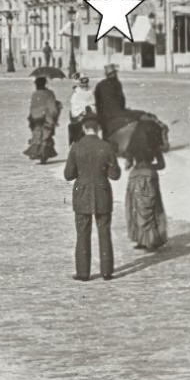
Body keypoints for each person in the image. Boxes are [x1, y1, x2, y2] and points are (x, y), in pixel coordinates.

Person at [63, 114, 120, 281]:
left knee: (82, 233)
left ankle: (83, 272)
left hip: (82, 193)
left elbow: (68, 174)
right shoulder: (106, 146)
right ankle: (107, 271)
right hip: (102, 192)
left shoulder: (76, 146)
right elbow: (115, 174)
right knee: (104, 232)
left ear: (83, 128)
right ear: (98, 128)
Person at [124, 120, 167, 250]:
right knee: (153, 208)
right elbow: (161, 165)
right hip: (150, 175)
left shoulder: (131, 145)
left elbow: (127, 165)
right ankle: (154, 239)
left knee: (137, 208)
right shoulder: (155, 146)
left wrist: (131, 162)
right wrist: (149, 166)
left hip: (135, 176)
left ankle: (141, 239)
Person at [24, 76, 61, 164]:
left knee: (37, 135)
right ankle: (43, 155)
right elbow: (52, 107)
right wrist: (55, 114)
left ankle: (35, 152)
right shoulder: (49, 93)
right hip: (46, 118)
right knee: (45, 136)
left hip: (35, 118)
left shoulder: (35, 94)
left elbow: (32, 107)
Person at [94, 64, 127, 139]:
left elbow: (97, 103)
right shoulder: (117, 84)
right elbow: (122, 101)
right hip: (116, 116)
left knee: (106, 137)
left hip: (104, 117)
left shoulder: (100, 84)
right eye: (114, 73)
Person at [68, 76, 96, 146]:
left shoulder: (80, 92)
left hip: (80, 116)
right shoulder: (89, 92)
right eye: (84, 84)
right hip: (83, 116)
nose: (85, 85)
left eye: (85, 84)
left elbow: (73, 106)